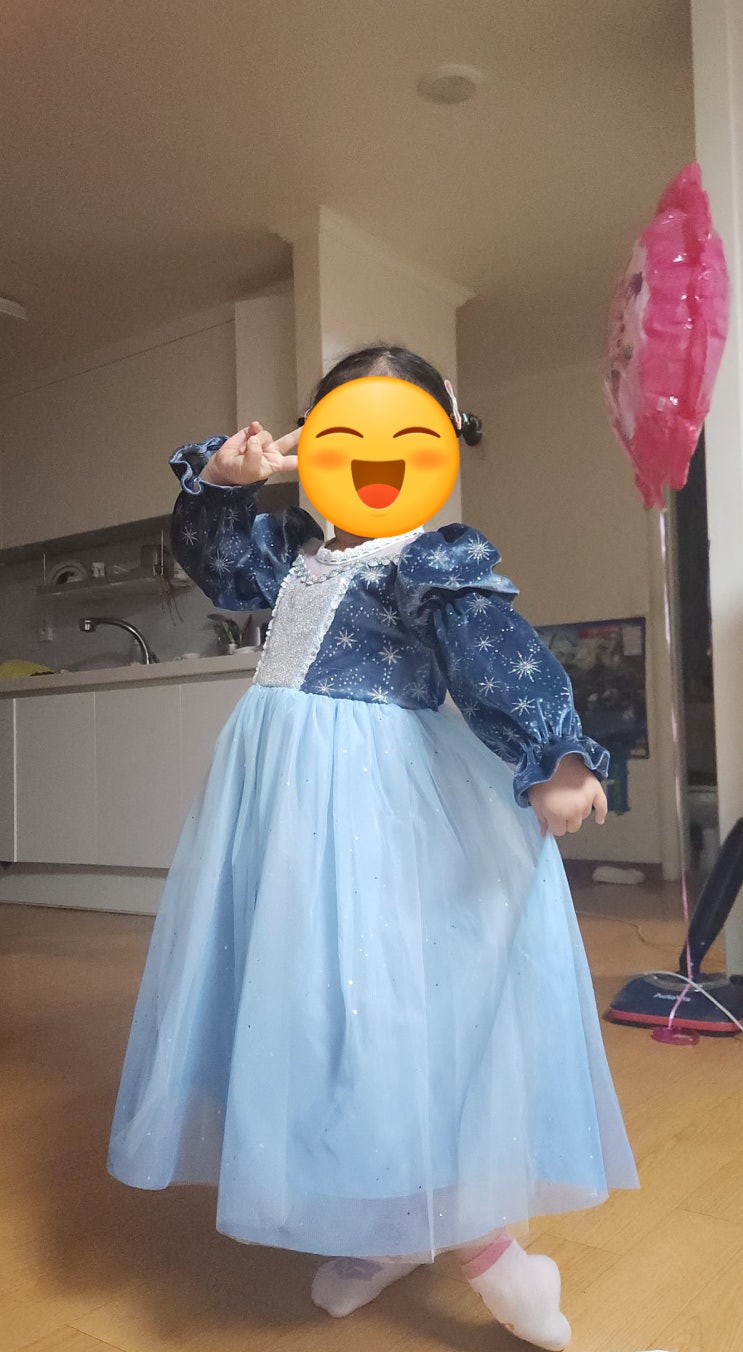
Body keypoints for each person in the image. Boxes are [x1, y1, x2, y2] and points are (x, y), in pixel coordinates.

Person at [108, 345, 638, 1352]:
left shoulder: (426, 562)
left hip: (372, 808)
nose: (375, 461)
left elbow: (494, 652)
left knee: (389, 1009)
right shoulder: (291, 557)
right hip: (277, 806)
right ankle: (382, 1225)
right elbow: (218, 567)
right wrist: (224, 482)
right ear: (311, 448)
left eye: (404, 439)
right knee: (310, 1007)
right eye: (344, 438)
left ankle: (487, 1249)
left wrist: (554, 752)